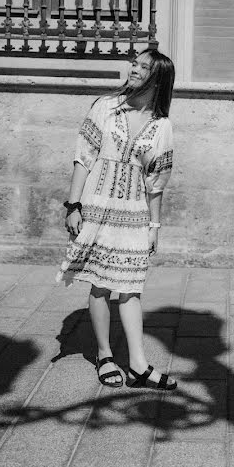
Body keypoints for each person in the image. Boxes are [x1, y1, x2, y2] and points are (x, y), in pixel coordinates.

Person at [56, 48, 177, 391]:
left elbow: (156, 184)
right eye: (134, 63)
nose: (134, 68)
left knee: (131, 286)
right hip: (97, 206)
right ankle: (106, 354)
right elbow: (83, 157)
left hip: (135, 214)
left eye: (143, 66)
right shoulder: (106, 107)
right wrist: (74, 205)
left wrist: (155, 226)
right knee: (101, 283)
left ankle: (138, 364)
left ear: (158, 77)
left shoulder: (163, 127)